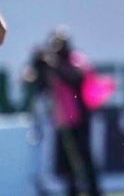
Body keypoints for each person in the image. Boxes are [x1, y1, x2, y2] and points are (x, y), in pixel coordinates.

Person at [23, 31, 102, 196]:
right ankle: (71, 190)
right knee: (65, 162)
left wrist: (55, 66)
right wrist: (39, 64)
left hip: (80, 118)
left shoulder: (76, 60)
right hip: (62, 119)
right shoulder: (51, 65)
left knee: (84, 157)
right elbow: (36, 83)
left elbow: (76, 78)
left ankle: (94, 190)